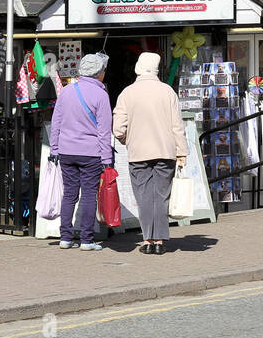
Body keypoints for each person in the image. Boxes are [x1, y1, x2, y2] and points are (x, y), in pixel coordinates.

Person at [113, 52, 187, 255]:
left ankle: (147, 240)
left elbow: (118, 127)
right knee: (161, 196)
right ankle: (160, 241)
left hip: (138, 153)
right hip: (165, 152)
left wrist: (127, 140)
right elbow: (177, 126)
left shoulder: (127, 93)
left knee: (145, 196)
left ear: (138, 67)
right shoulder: (167, 91)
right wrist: (182, 152)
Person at [48, 52, 112, 251]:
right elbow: (104, 131)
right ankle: (87, 239)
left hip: (67, 152)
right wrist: (107, 158)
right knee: (88, 195)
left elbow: (56, 123)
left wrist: (55, 149)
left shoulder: (66, 91)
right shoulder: (101, 95)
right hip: (91, 153)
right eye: (103, 70)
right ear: (99, 73)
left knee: (69, 195)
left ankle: (65, 237)